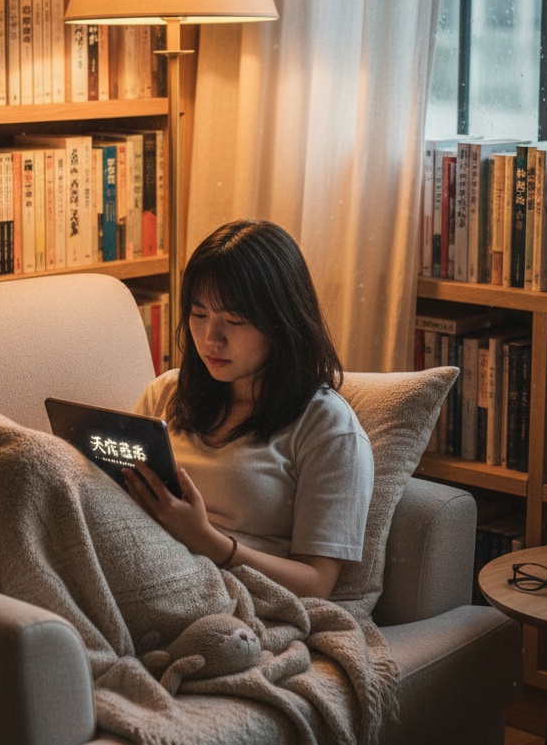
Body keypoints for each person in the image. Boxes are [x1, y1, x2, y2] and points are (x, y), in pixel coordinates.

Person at [125, 219, 374, 600]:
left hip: (230, 597)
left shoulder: (326, 426)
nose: (211, 338)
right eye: (199, 314)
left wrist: (208, 541)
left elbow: (316, 583)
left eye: (235, 321)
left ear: (282, 322)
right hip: (139, 566)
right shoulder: (167, 393)